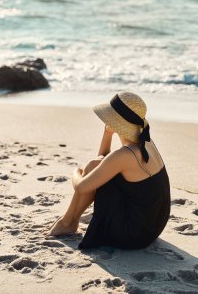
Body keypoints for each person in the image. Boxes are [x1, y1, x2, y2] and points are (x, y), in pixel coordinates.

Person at [43, 91, 171, 250]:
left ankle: (68, 222)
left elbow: (81, 186)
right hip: (153, 226)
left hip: (134, 234)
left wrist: (75, 171)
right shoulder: (146, 142)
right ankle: (69, 221)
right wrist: (107, 134)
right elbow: (103, 163)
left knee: (91, 168)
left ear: (117, 122)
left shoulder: (126, 154)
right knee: (95, 165)